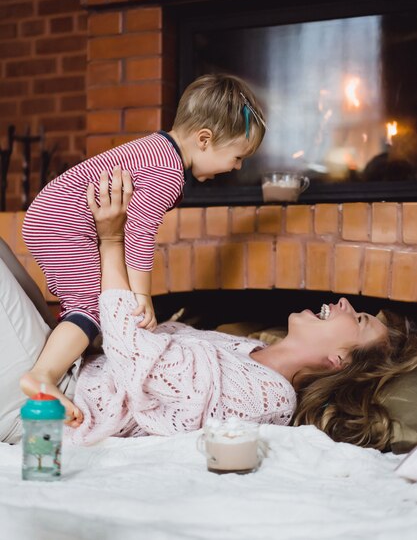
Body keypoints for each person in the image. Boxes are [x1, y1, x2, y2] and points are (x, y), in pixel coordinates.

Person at [62, 169, 414, 450]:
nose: (346, 304)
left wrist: (111, 241)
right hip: (67, 364)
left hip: (60, 404)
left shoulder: (267, 399)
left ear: (340, 359)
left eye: (360, 319)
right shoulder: (248, 349)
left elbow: (134, 357)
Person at [19, 74, 266, 427]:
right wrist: (141, 295)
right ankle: (43, 375)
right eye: (238, 157)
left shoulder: (157, 148)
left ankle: (72, 350)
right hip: (64, 220)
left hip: (52, 214)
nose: (238, 167)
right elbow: (139, 234)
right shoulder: (168, 171)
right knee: (91, 304)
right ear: (204, 140)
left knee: (87, 300)